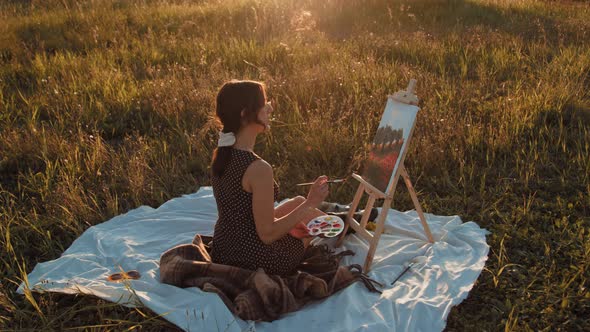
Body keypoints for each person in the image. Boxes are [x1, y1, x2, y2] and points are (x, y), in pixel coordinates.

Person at [209, 79, 329, 276]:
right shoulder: (258, 168)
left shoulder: (222, 153)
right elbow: (267, 234)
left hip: (223, 249)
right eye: (264, 104)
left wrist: (302, 205)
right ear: (245, 114)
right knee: (306, 222)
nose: (270, 108)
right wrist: (311, 202)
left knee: (296, 202)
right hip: (254, 260)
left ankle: (340, 223)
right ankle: (342, 227)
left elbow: (242, 211)